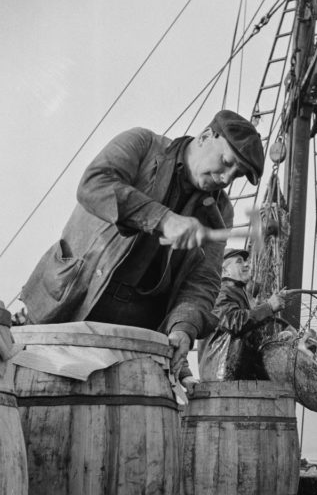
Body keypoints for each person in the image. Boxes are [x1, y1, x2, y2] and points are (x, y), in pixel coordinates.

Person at [20, 110, 264, 379]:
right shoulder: (142, 145)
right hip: (66, 305)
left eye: (237, 174)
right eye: (227, 162)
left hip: (133, 336)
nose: (227, 178)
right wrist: (164, 219)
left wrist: (184, 326)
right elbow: (94, 184)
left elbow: (203, 281)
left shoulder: (220, 211)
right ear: (206, 136)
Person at [198, 248, 289, 380]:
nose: (247, 264)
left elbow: (250, 326)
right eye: (239, 262)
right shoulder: (218, 292)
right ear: (224, 270)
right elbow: (234, 322)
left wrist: (283, 328)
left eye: (246, 261)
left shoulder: (240, 294)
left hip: (239, 377)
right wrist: (268, 306)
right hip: (221, 377)